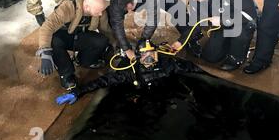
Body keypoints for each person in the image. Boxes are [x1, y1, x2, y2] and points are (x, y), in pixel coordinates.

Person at [108, 0, 202, 62]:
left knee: (179, 11)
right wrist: (126, 48)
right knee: (112, 15)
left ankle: (192, 38)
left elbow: (153, 17)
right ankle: (118, 46)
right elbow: (116, 22)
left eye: (131, 8)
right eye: (126, 10)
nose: (130, 11)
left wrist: (144, 40)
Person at [36, 0, 116, 90]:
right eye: (98, 11)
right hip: (63, 37)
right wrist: (45, 53)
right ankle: (66, 75)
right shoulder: (67, 7)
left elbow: (105, 30)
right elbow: (46, 27)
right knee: (54, 41)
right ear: (86, 7)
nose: (100, 13)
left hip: (80, 36)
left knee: (101, 40)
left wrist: (115, 45)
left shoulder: (100, 10)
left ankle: (85, 61)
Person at [55, 53, 204, 105]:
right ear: (138, 58)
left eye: (153, 55)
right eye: (145, 56)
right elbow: (104, 80)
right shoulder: (130, 72)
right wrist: (78, 91)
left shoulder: (167, 64)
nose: (150, 59)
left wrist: (210, 78)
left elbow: (190, 67)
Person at [187, 0, 259, 71]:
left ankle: (236, 58)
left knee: (243, 31)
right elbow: (198, 18)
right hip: (222, 20)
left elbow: (249, 14)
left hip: (242, 19)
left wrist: (222, 19)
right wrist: (191, 38)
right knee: (211, 57)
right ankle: (228, 42)